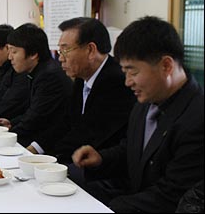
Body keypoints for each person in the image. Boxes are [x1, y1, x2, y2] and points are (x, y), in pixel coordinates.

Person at [72, 16, 204, 213]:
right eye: (124, 72)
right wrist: (101, 158)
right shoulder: (146, 100)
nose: (127, 82)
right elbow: (133, 149)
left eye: (132, 72)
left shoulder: (197, 117)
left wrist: (110, 207)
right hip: (133, 195)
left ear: (166, 66)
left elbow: (172, 196)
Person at [52, 17, 136, 188]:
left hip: (108, 172)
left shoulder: (117, 81)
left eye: (65, 50)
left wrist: (50, 159)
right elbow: (67, 123)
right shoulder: (82, 77)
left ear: (90, 50)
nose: (61, 58)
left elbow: (91, 133)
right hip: (84, 161)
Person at [0, 23, 72, 154]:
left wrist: (5, 135)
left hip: (53, 145)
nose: (10, 57)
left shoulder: (49, 76)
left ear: (33, 53)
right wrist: (11, 123)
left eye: (14, 51)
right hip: (41, 136)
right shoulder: (38, 71)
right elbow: (32, 111)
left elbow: (36, 119)